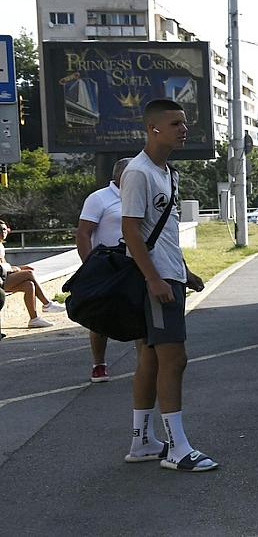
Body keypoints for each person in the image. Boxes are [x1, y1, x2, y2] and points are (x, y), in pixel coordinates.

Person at [120, 99, 215, 472]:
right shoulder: (139, 172)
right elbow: (130, 230)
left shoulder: (168, 173)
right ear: (152, 128)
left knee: (149, 358)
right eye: (175, 123)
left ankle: (142, 441)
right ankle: (176, 449)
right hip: (155, 282)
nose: (183, 128)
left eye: (185, 123)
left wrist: (183, 270)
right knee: (174, 359)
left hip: (169, 276)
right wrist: (154, 278)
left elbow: (164, 231)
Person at [75, 157, 133, 383]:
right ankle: (99, 364)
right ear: (120, 176)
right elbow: (83, 233)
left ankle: (146, 360)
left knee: (140, 310)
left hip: (134, 262)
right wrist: (89, 265)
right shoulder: (99, 198)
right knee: (101, 316)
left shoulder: (139, 196)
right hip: (106, 265)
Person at [0, 219, 65, 328]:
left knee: (29, 285)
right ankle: (47, 304)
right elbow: (2, 267)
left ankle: (34, 319)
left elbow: (5, 264)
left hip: (4, 278)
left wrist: (19, 268)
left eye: (4, 229)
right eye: (0, 230)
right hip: (1, 281)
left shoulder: (1, 246)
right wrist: (16, 269)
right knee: (29, 273)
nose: (3, 232)